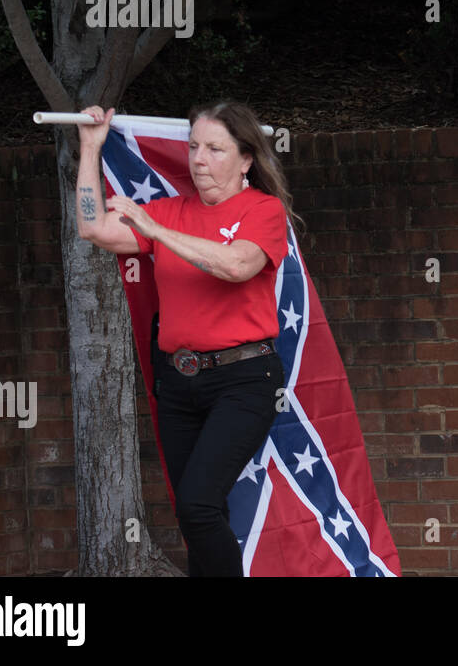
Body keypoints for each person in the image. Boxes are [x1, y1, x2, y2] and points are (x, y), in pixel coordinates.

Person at [74, 101, 292, 575]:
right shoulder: (172, 209)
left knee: (197, 504)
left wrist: (155, 230)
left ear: (246, 159)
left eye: (215, 149)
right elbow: (93, 227)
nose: (198, 159)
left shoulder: (265, 210)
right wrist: (90, 148)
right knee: (197, 512)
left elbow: (235, 265)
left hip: (244, 379)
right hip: (178, 382)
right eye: (194, 147)